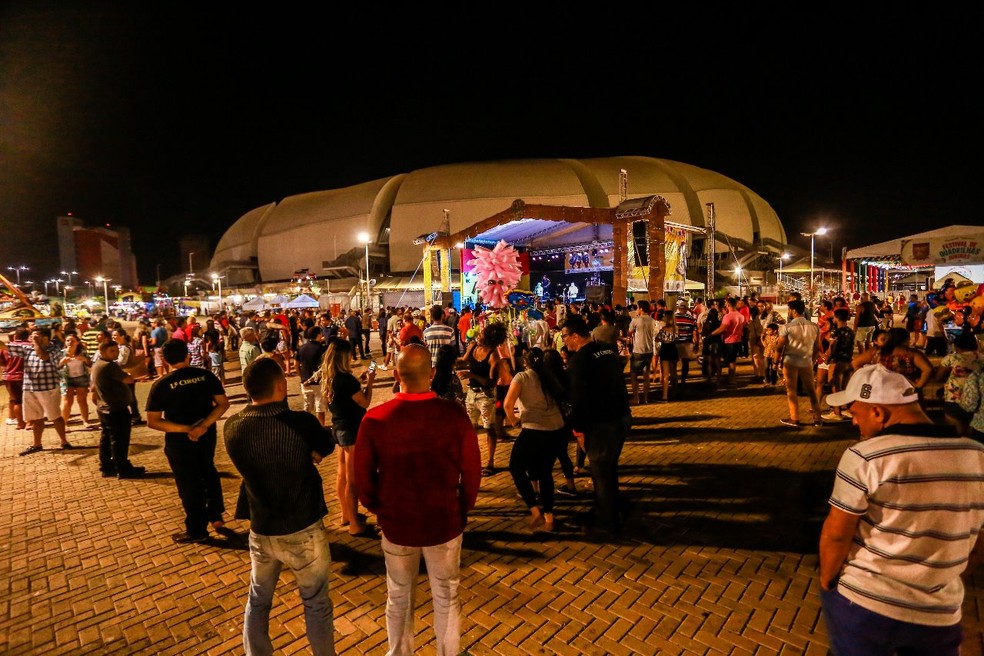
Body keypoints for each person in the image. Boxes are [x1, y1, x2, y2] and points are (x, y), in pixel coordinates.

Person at [818, 364, 984, 655]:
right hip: (939, 611)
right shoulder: (976, 455)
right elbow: (980, 540)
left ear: (878, 412)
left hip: (866, 603)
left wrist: (827, 580)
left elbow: (837, 533)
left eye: (854, 414)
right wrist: (942, 575)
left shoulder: (866, 456)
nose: (854, 423)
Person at [353, 343, 481, 656]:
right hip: (444, 520)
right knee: (446, 594)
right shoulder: (454, 415)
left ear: (396, 375)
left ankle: (399, 652)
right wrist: (462, 506)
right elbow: (472, 470)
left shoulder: (375, 419)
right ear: (433, 374)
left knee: (398, 594)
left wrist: (378, 508)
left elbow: (362, 477)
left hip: (397, 522)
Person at [224, 357, 337, 656]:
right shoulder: (299, 422)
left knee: (258, 598)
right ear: (279, 385)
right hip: (302, 524)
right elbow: (326, 444)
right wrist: (308, 453)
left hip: (261, 526)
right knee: (315, 601)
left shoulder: (233, 426)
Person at [146, 339, 231, 543]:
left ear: (165, 360)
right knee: (208, 470)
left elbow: (153, 421)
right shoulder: (205, 376)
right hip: (206, 435)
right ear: (187, 355)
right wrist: (203, 426)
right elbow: (223, 404)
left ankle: (197, 530)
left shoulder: (162, 384)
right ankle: (215, 515)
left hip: (180, 441)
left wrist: (187, 429)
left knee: (189, 483)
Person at [561, 314, 632, 540]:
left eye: (565, 337)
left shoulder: (580, 360)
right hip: (620, 415)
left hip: (602, 422)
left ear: (574, 335)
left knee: (601, 470)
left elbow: (578, 399)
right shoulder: (607, 351)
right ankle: (610, 509)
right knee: (609, 468)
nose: (564, 342)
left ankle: (606, 522)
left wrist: (578, 430)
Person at [502, 347, 567, 532]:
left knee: (516, 467)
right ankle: (549, 518)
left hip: (534, 430)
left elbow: (508, 404)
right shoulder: (549, 377)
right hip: (556, 429)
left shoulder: (522, 377)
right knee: (545, 472)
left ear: (525, 362)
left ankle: (534, 509)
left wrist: (514, 421)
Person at [319, 338, 375, 537]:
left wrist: (359, 383)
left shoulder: (330, 377)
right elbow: (364, 402)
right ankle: (354, 524)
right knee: (353, 480)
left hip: (339, 427)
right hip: (351, 430)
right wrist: (370, 383)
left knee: (341, 474)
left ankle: (346, 515)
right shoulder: (346, 380)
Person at [1, 327, 75, 455]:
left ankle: (64, 442)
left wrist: (36, 342)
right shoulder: (27, 348)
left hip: (49, 388)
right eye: (32, 336)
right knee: (36, 417)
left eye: (36, 336)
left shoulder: (54, 349)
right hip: (30, 388)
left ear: (46, 337)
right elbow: (4, 347)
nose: (32, 338)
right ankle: (37, 444)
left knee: (55, 416)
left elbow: (43, 356)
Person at [457, 322, 507, 476]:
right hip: (471, 394)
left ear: (490, 339)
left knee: (489, 428)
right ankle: (471, 460)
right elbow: (463, 360)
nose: (478, 335)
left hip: (486, 396)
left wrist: (471, 375)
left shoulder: (493, 356)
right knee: (469, 429)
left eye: (482, 334)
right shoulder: (473, 347)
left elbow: (491, 382)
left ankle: (490, 462)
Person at [91, 340, 146, 478]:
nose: (116, 353)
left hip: (104, 408)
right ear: (103, 352)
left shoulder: (98, 364)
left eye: (116, 350)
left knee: (107, 439)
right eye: (112, 351)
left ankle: (107, 466)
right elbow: (128, 379)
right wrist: (130, 375)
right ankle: (122, 468)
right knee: (119, 441)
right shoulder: (109, 366)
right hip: (115, 409)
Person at [777, 300, 823, 427]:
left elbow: (780, 346)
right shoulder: (814, 327)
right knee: (811, 390)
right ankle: (817, 418)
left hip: (790, 361)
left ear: (794, 311)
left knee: (791, 390)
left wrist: (775, 361)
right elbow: (817, 347)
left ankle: (794, 418)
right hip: (807, 361)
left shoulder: (787, 327)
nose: (789, 312)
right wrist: (812, 361)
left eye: (789, 310)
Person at [935, 331, 984, 436]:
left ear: (956, 346)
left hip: (955, 398)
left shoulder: (951, 358)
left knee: (957, 434)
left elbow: (938, 377)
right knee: (973, 434)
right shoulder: (982, 358)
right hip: (977, 400)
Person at [59, 333, 95, 428]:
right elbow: (55, 367)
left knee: (82, 400)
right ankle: (64, 423)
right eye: (67, 340)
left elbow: (90, 364)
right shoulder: (61, 353)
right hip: (66, 380)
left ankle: (85, 421)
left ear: (77, 342)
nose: (70, 342)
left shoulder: (82, 352)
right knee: (67, 401)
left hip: (81, 378)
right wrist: (61, 362)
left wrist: (85, 359)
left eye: (72, 340)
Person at [296, 326, 328, 425]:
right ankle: (321, 427)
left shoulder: (301, 348)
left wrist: (301, 376)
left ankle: (306, 427)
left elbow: (296, 364)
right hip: (318, 381)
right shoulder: (321, 348)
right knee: (320, 406)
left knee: (307, 407)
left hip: (305, 380)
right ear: (318, 335)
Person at [627, 300, 657, 405]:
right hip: (649, 350)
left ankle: (636, 398)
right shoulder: (652, 321)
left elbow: (629, 333)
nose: (636, 310)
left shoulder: (636, 320)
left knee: (634, 375)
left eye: (638, 308)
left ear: (641, 309)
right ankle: (645, 398)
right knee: (646, 375)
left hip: (638, 351)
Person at [1, 327, 29, 429]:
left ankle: (20, 423)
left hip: (10, 377)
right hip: (26, 376)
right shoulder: (30, 346)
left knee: (16, 401)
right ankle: (30, 422)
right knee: (29, 400)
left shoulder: (6, 348)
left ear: (15, 336)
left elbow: (2, 363)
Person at [654, 313, 678, 402]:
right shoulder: (675, 329)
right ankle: (675, 391)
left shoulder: (663, 330)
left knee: (665, 374)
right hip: (673, 348)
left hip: (665, 349)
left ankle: (665, 395)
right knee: (673, 372)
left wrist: (663, 339)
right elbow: (677, 337)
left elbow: (657, 339)